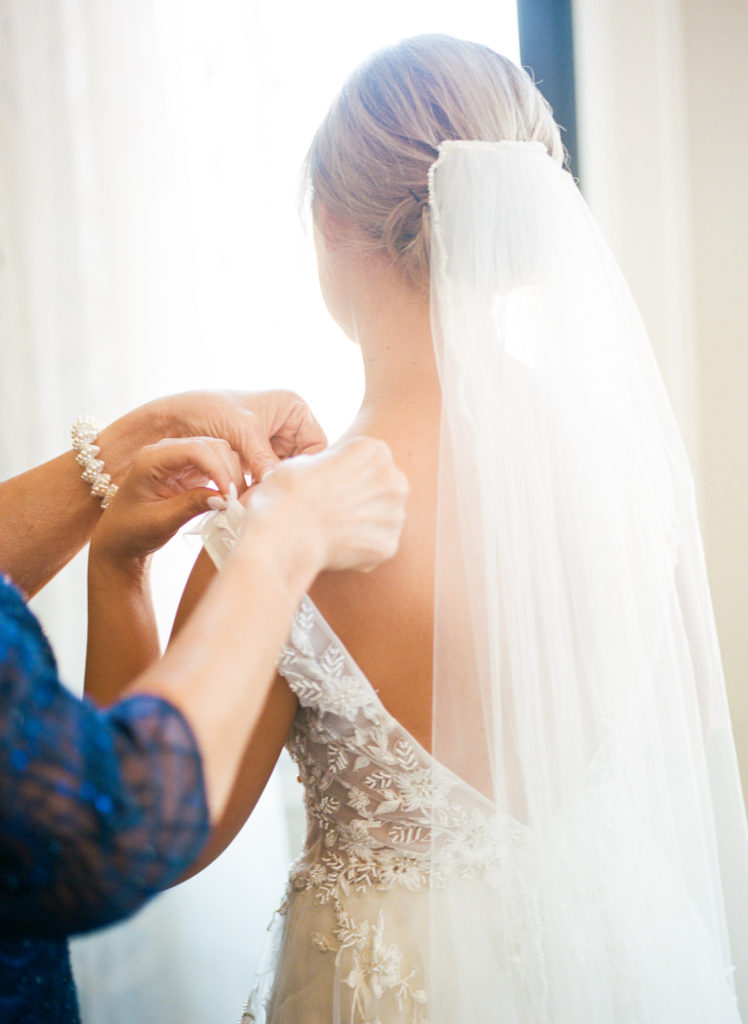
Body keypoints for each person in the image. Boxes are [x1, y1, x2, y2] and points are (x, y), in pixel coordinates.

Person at [176, 34, 747, 1024]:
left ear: (328, 218)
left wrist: (116, 556)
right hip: (623, 948)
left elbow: (169, 832)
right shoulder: (626, 460)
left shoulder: (281, 526)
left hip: (395, 981)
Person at [0, 388, 407, 1024]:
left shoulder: (269, 513)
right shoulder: (599, 489)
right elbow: (116, 820)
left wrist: (151, 438)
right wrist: (278, 548)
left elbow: (159, 838)